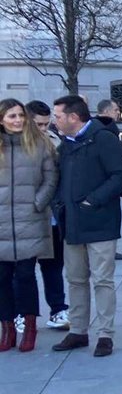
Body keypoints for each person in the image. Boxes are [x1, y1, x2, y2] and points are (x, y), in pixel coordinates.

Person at [49, 95, 122, 357]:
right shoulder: (65, 145)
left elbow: (120, 176)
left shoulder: (103, 138)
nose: (54, 120)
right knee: (75, 280)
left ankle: (105, 334)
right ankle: (78, 331)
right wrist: (60, 203)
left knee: (102, 280)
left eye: (58, 116)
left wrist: (92, 201)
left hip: (100, 223)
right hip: (71, 223)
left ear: (74, 117)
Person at [0, 99, 58, 352]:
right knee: (2, 279)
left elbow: (50, 177)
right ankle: (8, 329)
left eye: (20, 116)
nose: (17, 120)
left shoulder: (39, 144)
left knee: (25, 276)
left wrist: (38, 202)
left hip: (30, 220)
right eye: (11, 116)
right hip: (1, 222)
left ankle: (31, 327)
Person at [24, 101, 69, 332]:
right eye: (38, 124)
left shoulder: (55, 142)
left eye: (46, 123)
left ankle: (58, 309)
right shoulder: (11, 144)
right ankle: (21, 313)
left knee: (53, 266)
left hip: (51, 216)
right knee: (23, 270)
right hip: (23, 217)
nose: (42, 128)